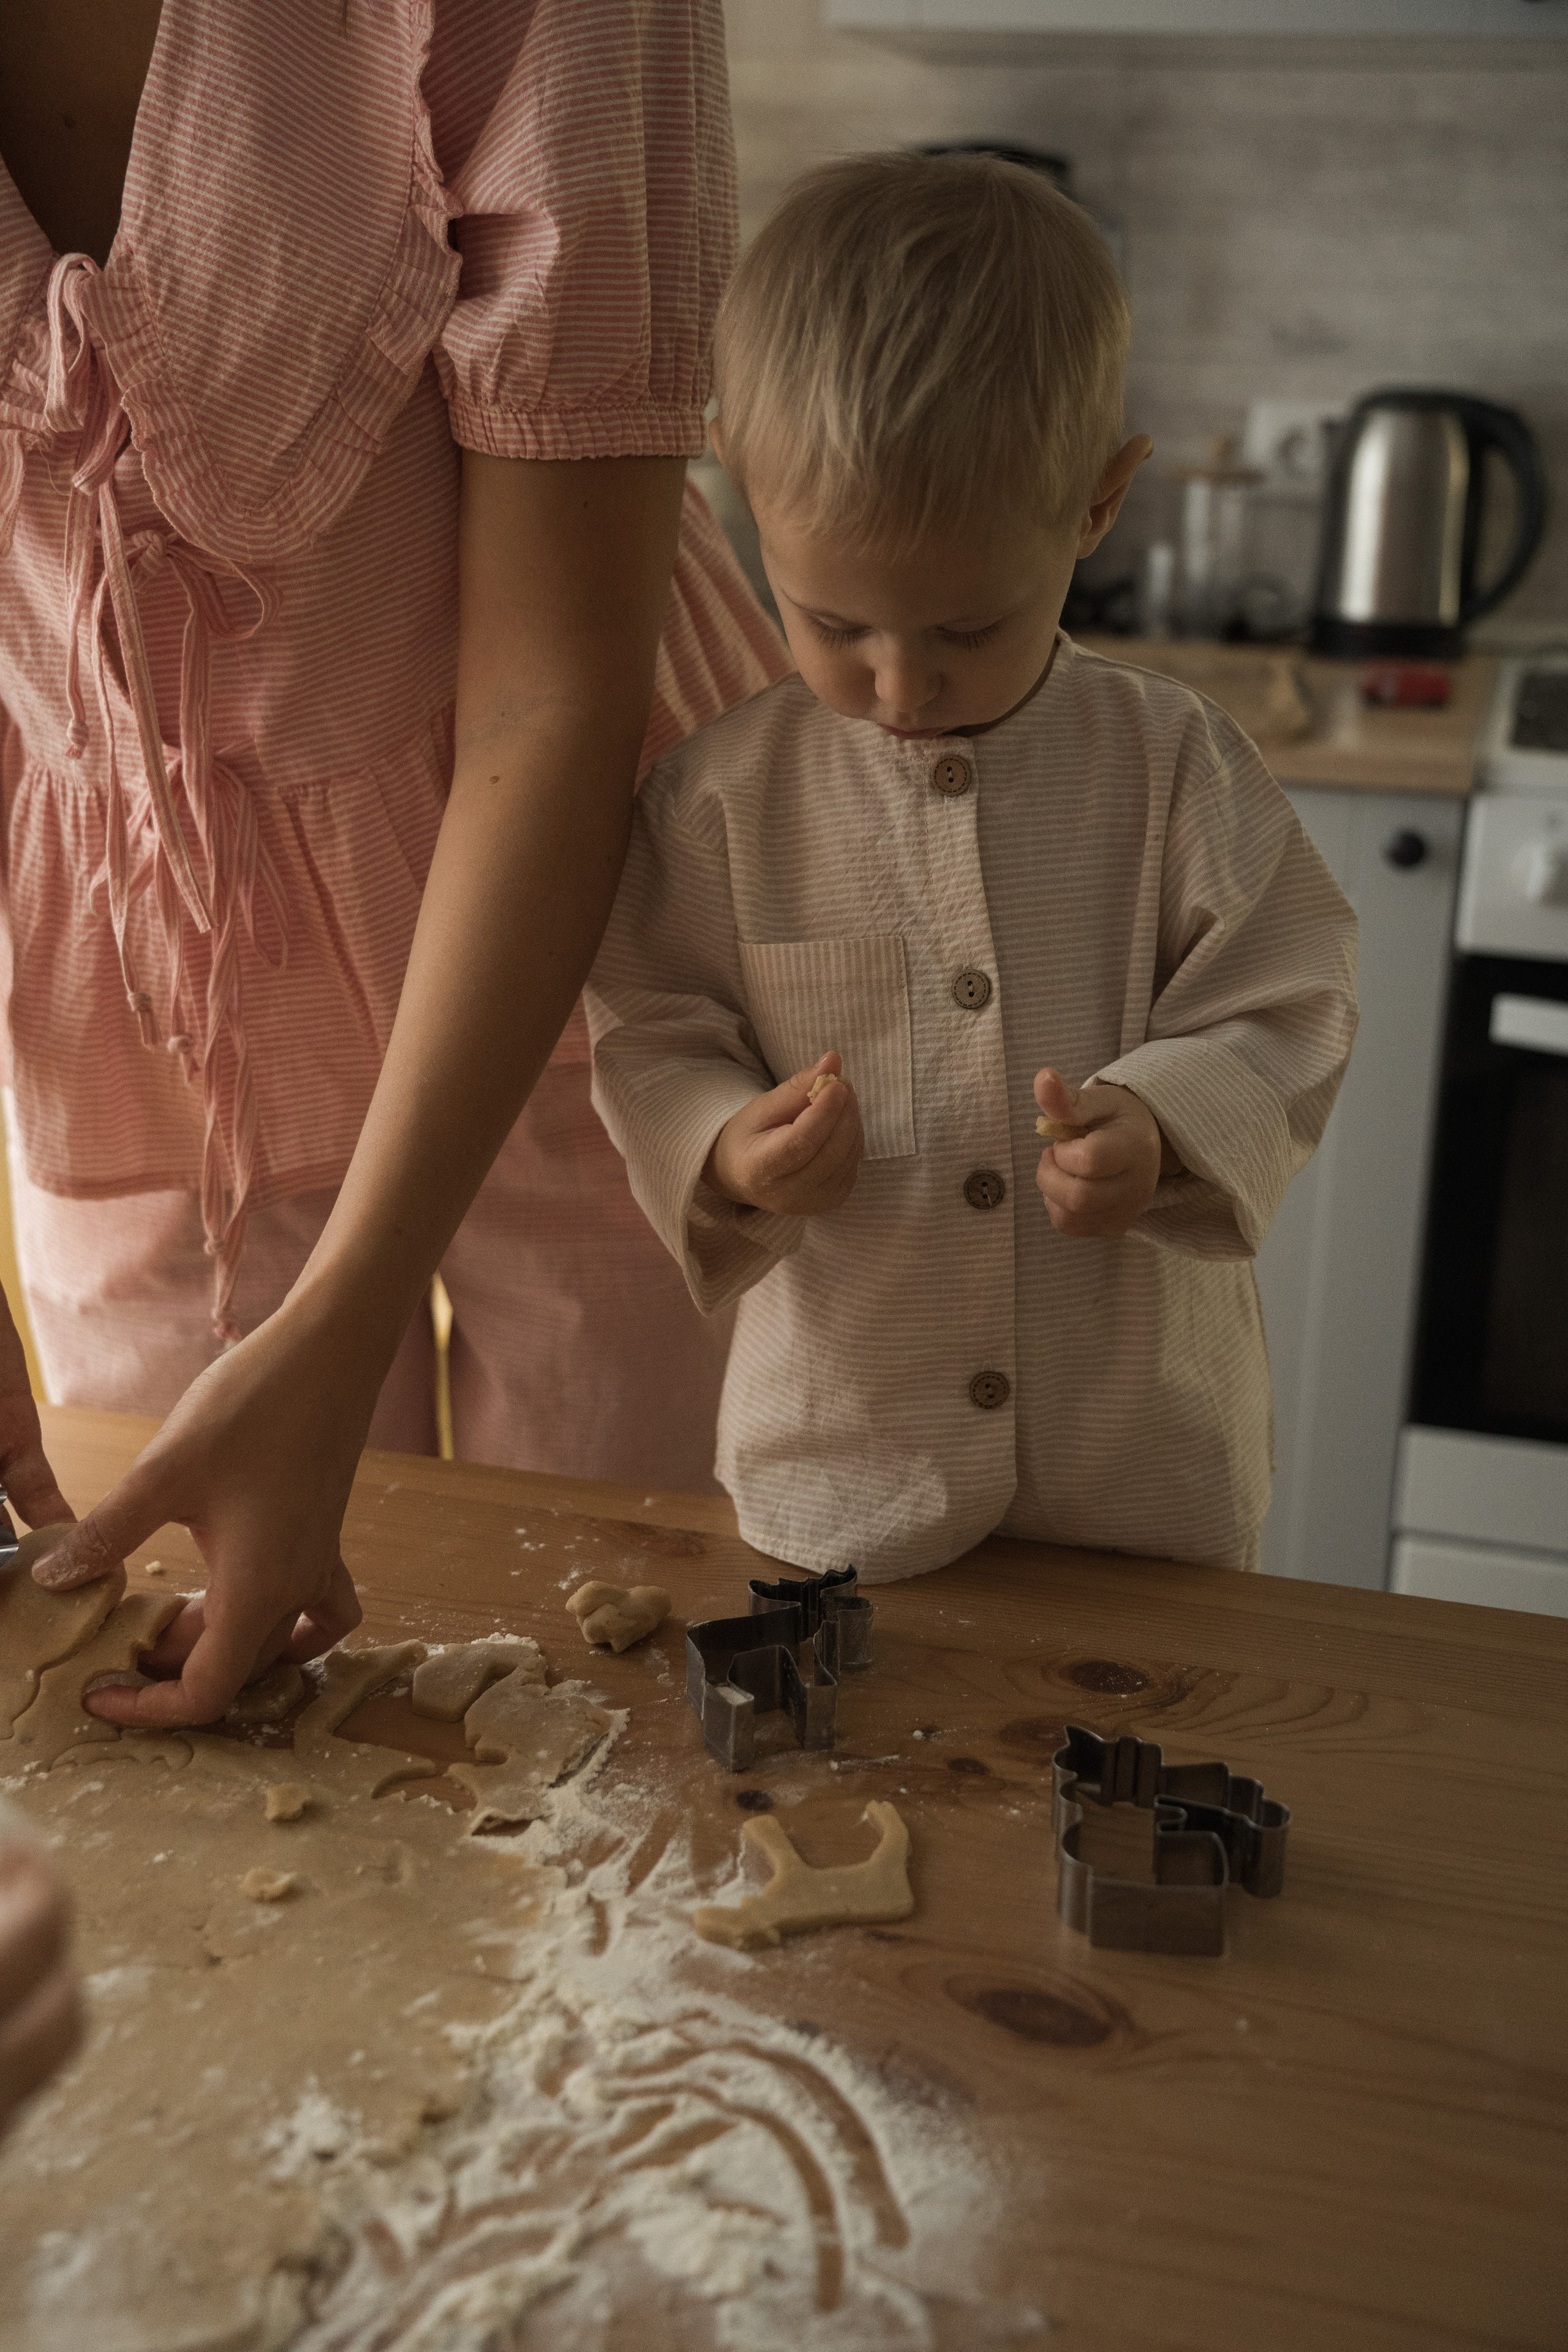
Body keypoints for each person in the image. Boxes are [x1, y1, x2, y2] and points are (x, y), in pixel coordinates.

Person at [0, 1, 788, 1722]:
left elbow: (551, 695)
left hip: (581, 936)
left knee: (631, 1676)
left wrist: (351, 1312)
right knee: (169, 1702)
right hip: (117, 984)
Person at [585, 153, 1359, 1582]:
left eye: (963, 631)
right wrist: (724, 1142)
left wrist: (1165, 1125)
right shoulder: (717, 801)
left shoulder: (1174, 762)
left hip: (1143, 1475)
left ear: (1095, 506)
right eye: (834, 624)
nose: (897, 687)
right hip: (840, 1473)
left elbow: (1288, 998)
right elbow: (652, 1024)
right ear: (740, 492)